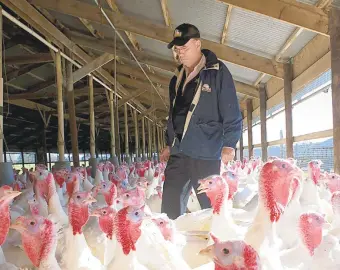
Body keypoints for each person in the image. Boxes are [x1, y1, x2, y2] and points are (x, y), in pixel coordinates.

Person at [160, 23, 243, 219]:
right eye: (177, 49)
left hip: (205, 151)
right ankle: (172, 242)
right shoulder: (176, 78)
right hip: (179, 151)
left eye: (184, 48)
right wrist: (169, 143)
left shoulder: (217, 72)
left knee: (210, 206)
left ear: (198, 44)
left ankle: (216, 241)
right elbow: (174, 114)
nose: (180, 53)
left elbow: (231, 109)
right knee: (169, 205)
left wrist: (230, 144)